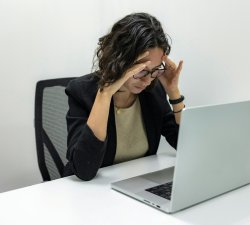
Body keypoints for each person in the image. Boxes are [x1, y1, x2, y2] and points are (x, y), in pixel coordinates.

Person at [63, 12, 185, 181]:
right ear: (119, 60)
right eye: (141, 70)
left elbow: (186, 146)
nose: (147, 80)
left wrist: (174, 93)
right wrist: (105, 95)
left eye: (156, 70)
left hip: (135, 185)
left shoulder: (152, 92)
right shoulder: (82, 92)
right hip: (89, 193)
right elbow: (84, 170)